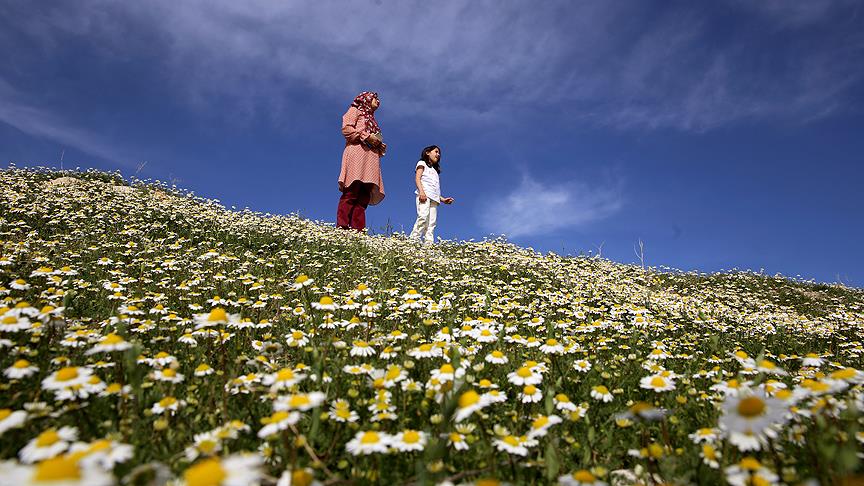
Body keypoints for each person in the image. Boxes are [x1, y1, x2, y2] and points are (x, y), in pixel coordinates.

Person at [337, 91, 386, 230]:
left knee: (363, 196)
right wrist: (365, 136)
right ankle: (342, 227)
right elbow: (347, 129)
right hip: (357, 154)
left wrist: (377, 143)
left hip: (370, 158)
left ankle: (357, 231)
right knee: (351, 190)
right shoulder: (355, 111)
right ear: (366, 99)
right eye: (375, 98)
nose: (378, 101)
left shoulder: (372, 121)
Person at [408, 145, 454, 244]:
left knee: (431, 223)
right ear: (428, 152)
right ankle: (413, 240)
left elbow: (435, 191)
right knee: (423, 217)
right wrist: (421, 192)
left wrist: (443, 199)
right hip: (424, 195)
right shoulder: (422, 163)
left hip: (435, 199)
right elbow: (417, 178)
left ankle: (428, 245)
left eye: (439, 153)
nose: (438, 154)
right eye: (436, 152)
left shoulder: (435, 171)